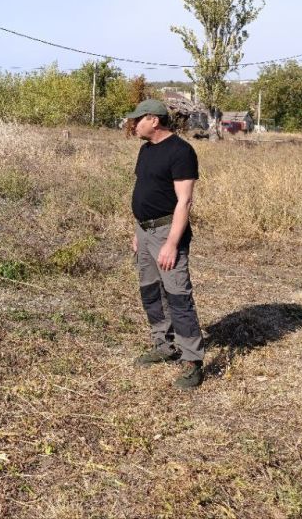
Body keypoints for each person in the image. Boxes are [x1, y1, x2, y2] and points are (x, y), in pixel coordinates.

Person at [126, 99, 205, 389]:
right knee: (151, 293)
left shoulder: (181, 151)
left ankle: (192, 360)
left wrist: (171, 244)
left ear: (154, 120)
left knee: (178, 296)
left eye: (138, 119)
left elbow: (184, 201)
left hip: (166, 233)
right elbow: (145, 189)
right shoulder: (146, 150)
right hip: (144, 232)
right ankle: (164, 344)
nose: (133, 125)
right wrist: (137, 232)